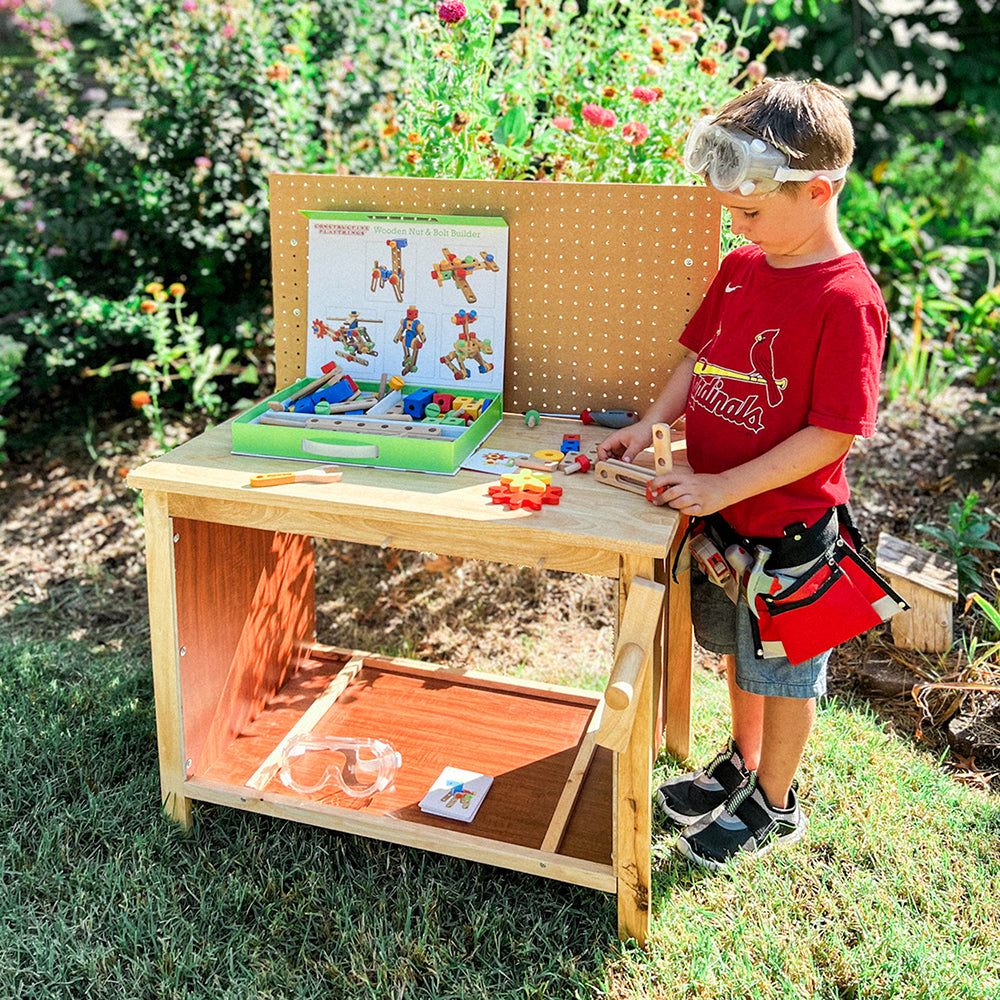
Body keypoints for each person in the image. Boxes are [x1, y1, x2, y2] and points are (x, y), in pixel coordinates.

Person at [597, 79, 890, 870]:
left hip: (792, 539)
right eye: (733, 212)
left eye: (751, 211)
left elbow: (833, 436)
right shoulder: (740, 266)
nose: (738, 224)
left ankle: (777, 802)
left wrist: (724, 486)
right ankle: (743, 761)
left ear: (819, 189)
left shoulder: (847, 299)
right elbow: (696, 362)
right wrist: (650, 425)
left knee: (787, 674)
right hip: (726, 526)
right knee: (736, 654)